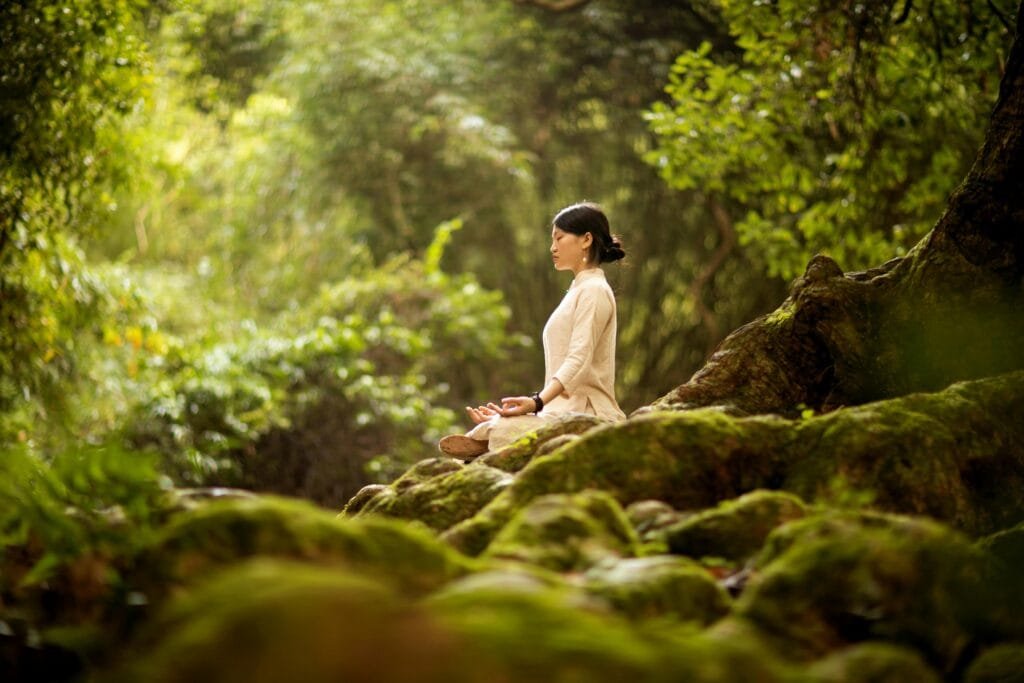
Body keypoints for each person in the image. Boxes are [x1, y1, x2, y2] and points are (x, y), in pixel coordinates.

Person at [438, 202, 627, 459]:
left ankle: (492, 442)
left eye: (559, 237)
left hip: (588, 415)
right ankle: (495, 435)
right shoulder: (578, 290)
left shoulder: (593, 290)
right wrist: (534, 409)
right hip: (561, 412)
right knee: (494, 424)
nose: (553, 247)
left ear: (586, 239)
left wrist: (537, 402)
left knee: (499, 429)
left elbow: (578, 359)